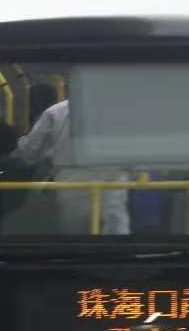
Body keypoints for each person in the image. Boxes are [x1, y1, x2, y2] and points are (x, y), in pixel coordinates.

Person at [7, 98, 131, 235]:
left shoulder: (56, 112)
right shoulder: (125, 111)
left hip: (72, 187)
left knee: (75, 241)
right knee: (115, 238)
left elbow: (30, 153)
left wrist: (17, 145)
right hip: (112, 186)